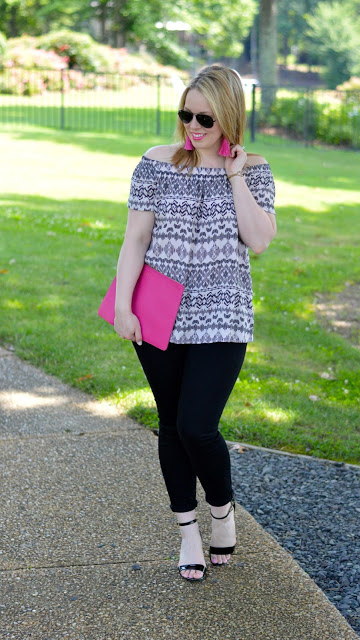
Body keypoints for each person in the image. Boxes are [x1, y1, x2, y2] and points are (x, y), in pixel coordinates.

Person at [113, 64, 276, 582]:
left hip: (222, 314)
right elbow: (136, 239)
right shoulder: (156, 163)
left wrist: (233, 173)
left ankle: (222, 512)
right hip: (159, 310)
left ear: (228, 115)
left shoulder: (255, 170)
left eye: (204, 117)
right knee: (171, 422)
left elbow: (259, 239)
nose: (192, 126)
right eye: (185, 114)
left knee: (196, 426)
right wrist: (123, 304)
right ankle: (188, 531)